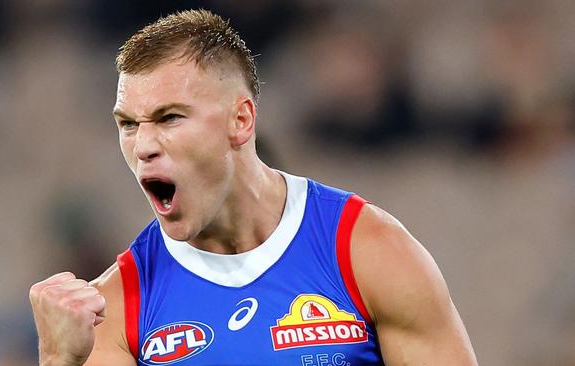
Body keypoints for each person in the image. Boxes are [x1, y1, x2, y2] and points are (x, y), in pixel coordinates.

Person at [29, 9, 478, 366]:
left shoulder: (367, 251)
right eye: (128, 124)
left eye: (169, 118)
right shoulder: (117, 307)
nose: (143, 145)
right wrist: (58, 361)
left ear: (240, 121)